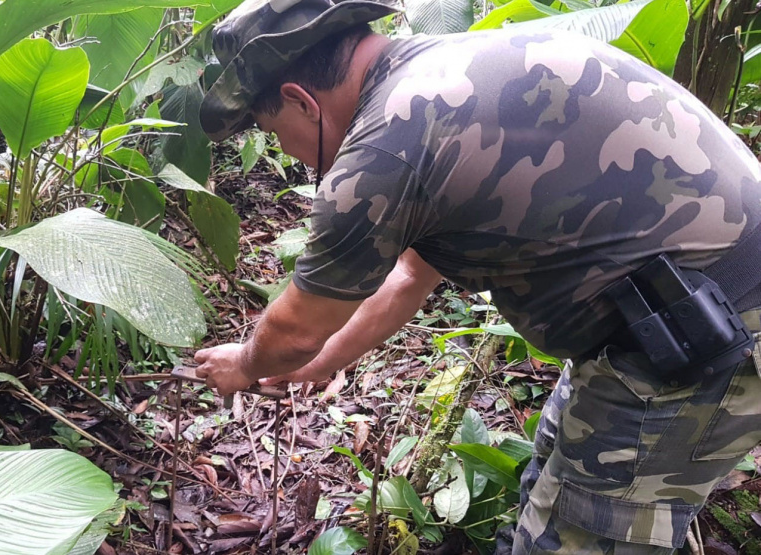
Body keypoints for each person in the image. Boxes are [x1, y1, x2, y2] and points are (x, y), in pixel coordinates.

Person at [193, 0, 761, 552]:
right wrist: (322, 364)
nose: (290, 155)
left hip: (711, 330)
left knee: (588, 534)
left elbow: (294, 330)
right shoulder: (447, 76)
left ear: (300, 100)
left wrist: (245, 363)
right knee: (551, 477)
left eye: (274, 133)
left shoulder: (385, 150)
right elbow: (409, 278)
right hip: (672, 317)